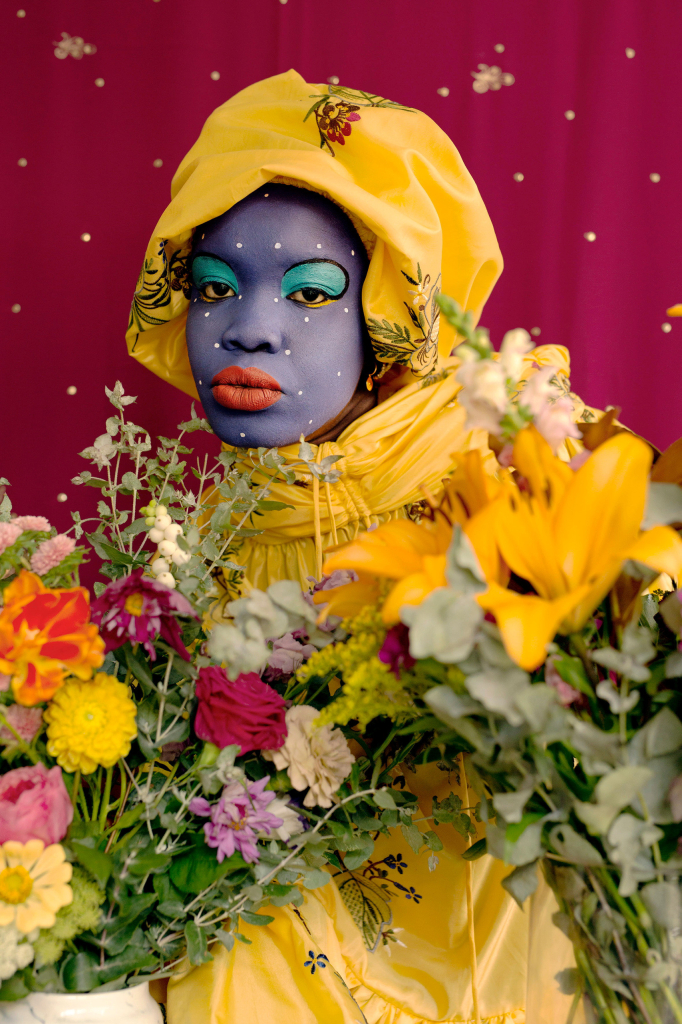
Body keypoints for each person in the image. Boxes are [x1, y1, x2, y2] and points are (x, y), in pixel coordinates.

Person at [127, 70, 585, 1024]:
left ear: (390, 315)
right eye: (213, 287)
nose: (248, 327)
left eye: (311, 292)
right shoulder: (214, 528)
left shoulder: (517, 473)